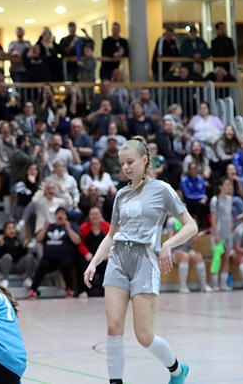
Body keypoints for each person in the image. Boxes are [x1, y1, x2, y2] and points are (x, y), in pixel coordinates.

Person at [84, 136, 197, 384]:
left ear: (145, 160)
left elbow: (191, 225)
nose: (125, 167)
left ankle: (177, 370)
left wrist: (168, 244)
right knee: (114, 328)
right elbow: (112, 235)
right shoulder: (121, 195)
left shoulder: (162, 190)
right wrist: (94, 262)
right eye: (122, 163)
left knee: (144, 335)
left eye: (130, 162)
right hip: (118, 260)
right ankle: (116, 381)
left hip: (145, 262)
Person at [28, 207, 80, 297]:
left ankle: (69, 289)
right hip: (50, 258)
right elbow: (38, 239)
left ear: (66, 216)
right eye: (58, 213)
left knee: (66, 265)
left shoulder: (71, 226)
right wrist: (44, 229)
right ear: (55, 216)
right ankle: (33, 289)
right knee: (42, 265)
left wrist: (69, 230)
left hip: (65, 257)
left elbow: (77, 241)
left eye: (63, 213)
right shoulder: (50, 227)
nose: (60, 215)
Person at [165, 215, 211, 293]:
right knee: (185, 256)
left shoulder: (190, 220)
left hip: (188, 249)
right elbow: (170, 239)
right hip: (175, 250)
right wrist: (183, 236)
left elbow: (194, 237)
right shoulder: (171, 221)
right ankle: (183, 286)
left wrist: (194, 236)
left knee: (198, 257)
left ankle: (203, 285)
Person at [210, 178, 236, 291]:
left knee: (226, 258)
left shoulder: (230, 199)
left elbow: (229, 214)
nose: (228, 186)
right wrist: (216, 235)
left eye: (229, 184)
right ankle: (215, 284)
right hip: (218, 233)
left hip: (228, 233)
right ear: (221, 187)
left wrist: (231, 228)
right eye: (226, 184)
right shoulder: (215, 200)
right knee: (217, 258)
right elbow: (213, 219)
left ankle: (223, 284)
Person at [78, 207, 110, 296]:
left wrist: (109, 253)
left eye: (96, 214)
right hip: (89, 256)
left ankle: (107, 290)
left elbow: (113, 241)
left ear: (101, 215)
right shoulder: (83, 227)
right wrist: (86, 253)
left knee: (109, 264)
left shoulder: (108, 226)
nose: (94, 216)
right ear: (89, 216)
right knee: (82, 263)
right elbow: (80, 243)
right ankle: (83, 290)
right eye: (92, 214)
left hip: (104, 256)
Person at [0, 221, 36, 290]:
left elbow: (22, 255)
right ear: (5, 231)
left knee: (29, 256)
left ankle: (28, 279)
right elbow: (0, 255)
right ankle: (5, 280)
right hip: (7, 267)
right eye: (9, 228)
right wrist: (1, 245)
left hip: (18, 266)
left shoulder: (19, 240)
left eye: (13, 228)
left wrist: (24, 247)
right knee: (7, 256)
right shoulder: (2, 240)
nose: (11, 230)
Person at [181, 162, 210, 229]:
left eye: (194, 168)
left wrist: (204, 199)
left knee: (206, 205)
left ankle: (205, 226)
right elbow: (188, 195)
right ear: (188, 170)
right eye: (191, 169)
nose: (193, 170)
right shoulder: (184, 180)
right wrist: (201, 197)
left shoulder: (201, 180)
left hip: (199, 203)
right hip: (188, 202)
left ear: (197, 170)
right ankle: (196, 227)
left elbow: (204, 193)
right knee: (199, 205)